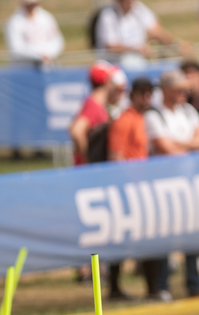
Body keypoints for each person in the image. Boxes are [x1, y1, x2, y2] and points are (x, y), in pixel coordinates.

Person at [143, 70, 199, 301]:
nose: (186, 91)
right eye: (180, 88)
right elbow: (165, 149)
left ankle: (194, 284)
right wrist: (192, 145)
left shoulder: (188, 110)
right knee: (165, 235)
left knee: (193, 233)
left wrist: (180, 144)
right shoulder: (153, 115)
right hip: (163, 186)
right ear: (166, 89)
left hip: (189, 184)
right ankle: (161, 286)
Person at [69, 60, 126, 287]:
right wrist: (88, 160)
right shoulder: (94, 105)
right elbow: (76, 130)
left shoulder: (96, 105)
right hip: (88, 174)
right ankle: (87, 268)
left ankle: (93, 267)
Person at [105, 77, 153, 300]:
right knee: (121, 239)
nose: (147, 98)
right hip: (127, 191)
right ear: (132, 95)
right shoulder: (123, 121)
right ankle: (114, 287)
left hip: (140, 188)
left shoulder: (143, 119)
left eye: (149, 93)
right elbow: (115, 159)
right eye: (142, 93)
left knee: (145, 238)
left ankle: (151, 287)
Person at [95, 0, 189, 68]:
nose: (132, 0)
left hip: (138, 60)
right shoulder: (108, 16)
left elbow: (155, 29)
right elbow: (111, 46)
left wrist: (177, 44)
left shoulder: (138, 8)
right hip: (114, 64)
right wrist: (136, 48)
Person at [4, 0, 64, 67]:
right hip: (23, 69)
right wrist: (38, 55)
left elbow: (57, 40)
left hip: (47, 67)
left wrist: (48, 53)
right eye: (30, 3)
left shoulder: (47, 17)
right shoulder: (14, 22)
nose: (32, 5)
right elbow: (16, 48)